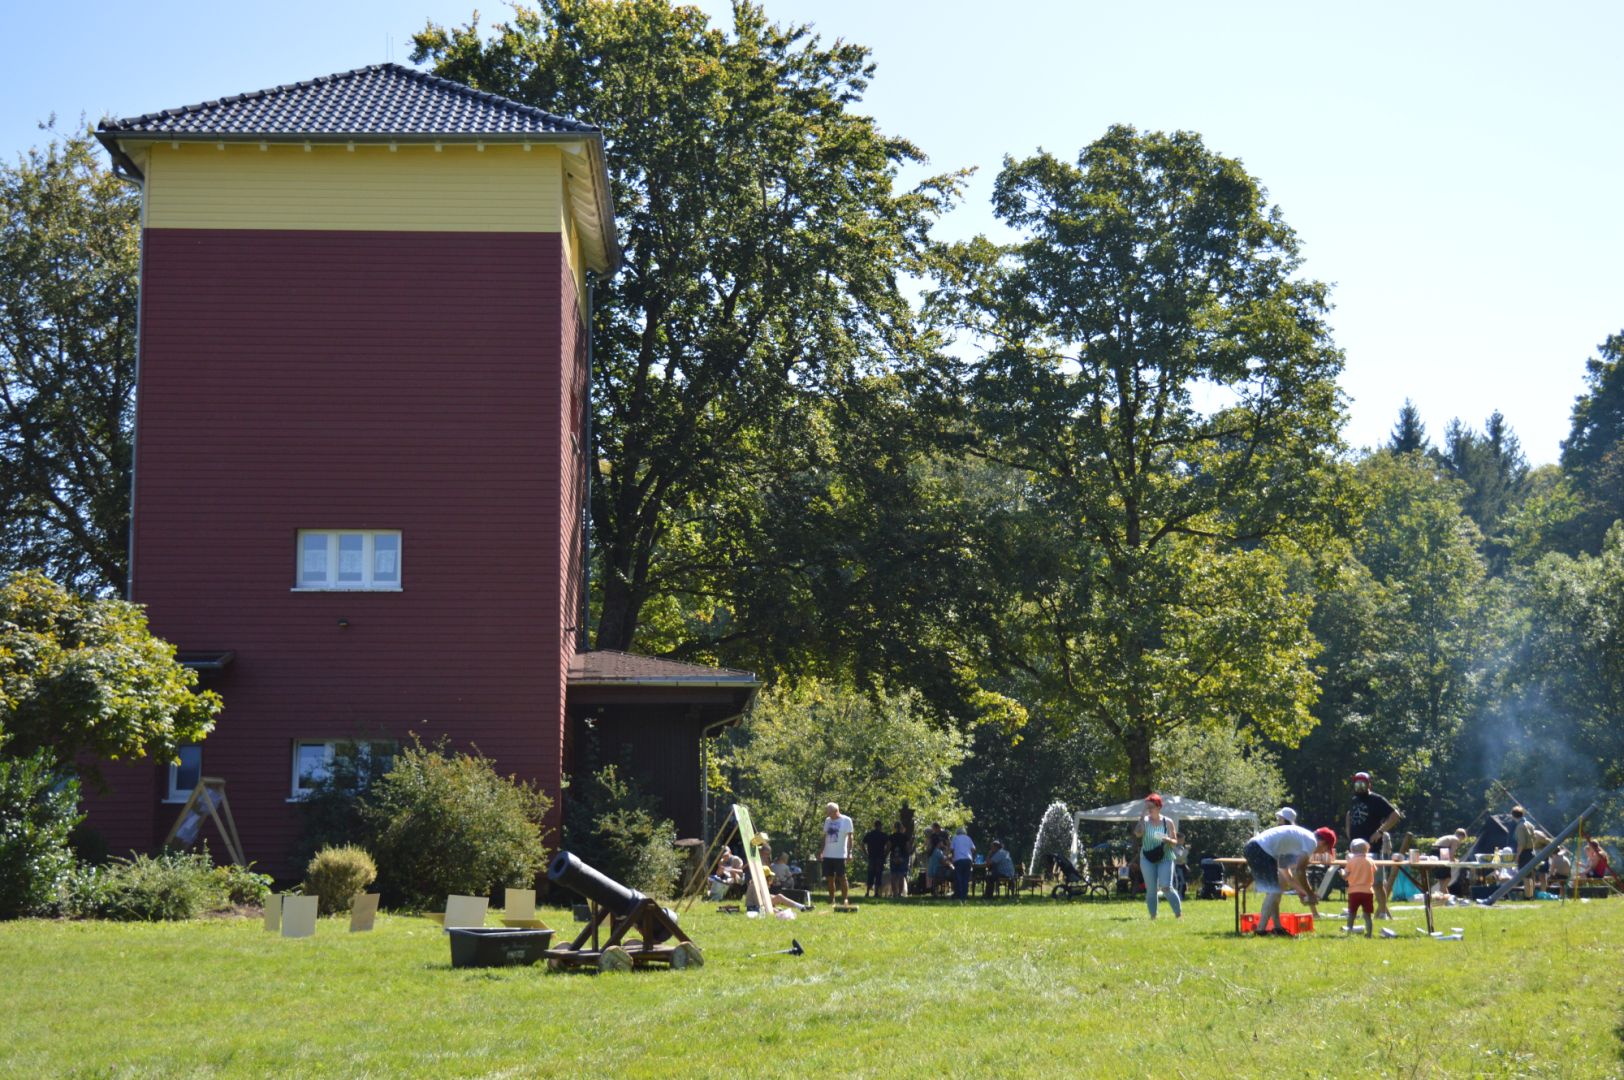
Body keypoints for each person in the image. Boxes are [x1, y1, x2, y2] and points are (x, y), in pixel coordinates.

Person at [1243, 809, 1334, 935]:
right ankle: (1260, 930)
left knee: (1276, 890)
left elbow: (1287, 875)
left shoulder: (1297, 841)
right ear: (1323, 843)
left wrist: (1302, 892)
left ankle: (1277, 928)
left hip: (1254, 847)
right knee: (1273, 891)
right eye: (1326, 850)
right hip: (1259, 849)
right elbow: (1300, 871)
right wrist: (1310, 893)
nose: (1322, 853)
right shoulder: (1311, 842)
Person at [1345, 771, 1402, 919]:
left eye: (1362, 783)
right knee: (1355, 882)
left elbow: (1395, 815)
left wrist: (1380, 832)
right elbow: (1349, 815)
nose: (1359, 786)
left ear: (1369, 784)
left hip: (1372, 848)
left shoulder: (1376, 799)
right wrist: (1348, 832)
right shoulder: (1354, 800)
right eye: (1357, 783)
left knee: (1377, 883)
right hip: (1355, 850)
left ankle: (1382, 913)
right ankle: (1356, 912)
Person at [1132, 792, 1182, 921]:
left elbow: (1175, 842)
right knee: (1151, 890)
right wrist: (1142, 814)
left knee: (1166, 887)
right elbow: (1138, 834)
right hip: (1147, 858)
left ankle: (1178, 915)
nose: (1149, 809)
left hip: (1165, 857)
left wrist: (1167, 840)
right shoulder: (1145, 821)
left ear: (1159, 807)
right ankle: (1153, 917)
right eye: (1147, 807)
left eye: (1151, 806)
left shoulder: (1168, 822)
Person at [821, 801, 855, 907]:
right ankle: (832, 899)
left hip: (840, 855)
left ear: (836, 811)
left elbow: (850, 838)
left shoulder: (846, 820)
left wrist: (850, 852)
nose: (828, 815)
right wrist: (821, 851)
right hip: (827, 854)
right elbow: (824, 837)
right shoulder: (827, 820)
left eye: (829, 812)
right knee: (830, 878)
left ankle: (845, 899)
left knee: (842, 878)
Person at [1343, 837, 1375, 936]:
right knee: (1367, 915)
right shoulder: (1370, 861)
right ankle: (1369, 934)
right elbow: (1373, 871)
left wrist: (1341, 873)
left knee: (1352, 914)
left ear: (1352, 850)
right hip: (1368, 891)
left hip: (1354, 891)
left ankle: (1349, 931)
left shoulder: (1351, 861)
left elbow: (1345, 876)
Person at [862, 819, 889, 898]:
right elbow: (889, 844)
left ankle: (867, 892)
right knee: (878, 875)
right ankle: (876, 893)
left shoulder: (869, 834)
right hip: (880, 857)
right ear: (880, 826)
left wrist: (866, 853)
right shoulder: (883, 835)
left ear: (874, 826)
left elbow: (862, 844)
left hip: (871, 857)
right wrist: (886, 854)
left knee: (870, 874)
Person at [950, 825, 976, 900]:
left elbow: (951, 849)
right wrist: (970, 854)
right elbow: (973, 849)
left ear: (957, 832)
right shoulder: (968, 838)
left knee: (959, 878)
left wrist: (953, 856)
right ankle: (964, 895)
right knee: (965, 878)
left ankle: (959, 894)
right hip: (968, 860)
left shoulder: (955, 838)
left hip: (958, 859)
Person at [887, 820, 910, 897]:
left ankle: (894, 893)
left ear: (894, 827)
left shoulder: (891, 836)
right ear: (901, 828)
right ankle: (900, 893)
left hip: (893, 856)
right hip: (903, 857)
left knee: (893, 875)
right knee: (901, 876)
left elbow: (888, 847)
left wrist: (885, 855)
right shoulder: (905, 837)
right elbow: (907, 847)